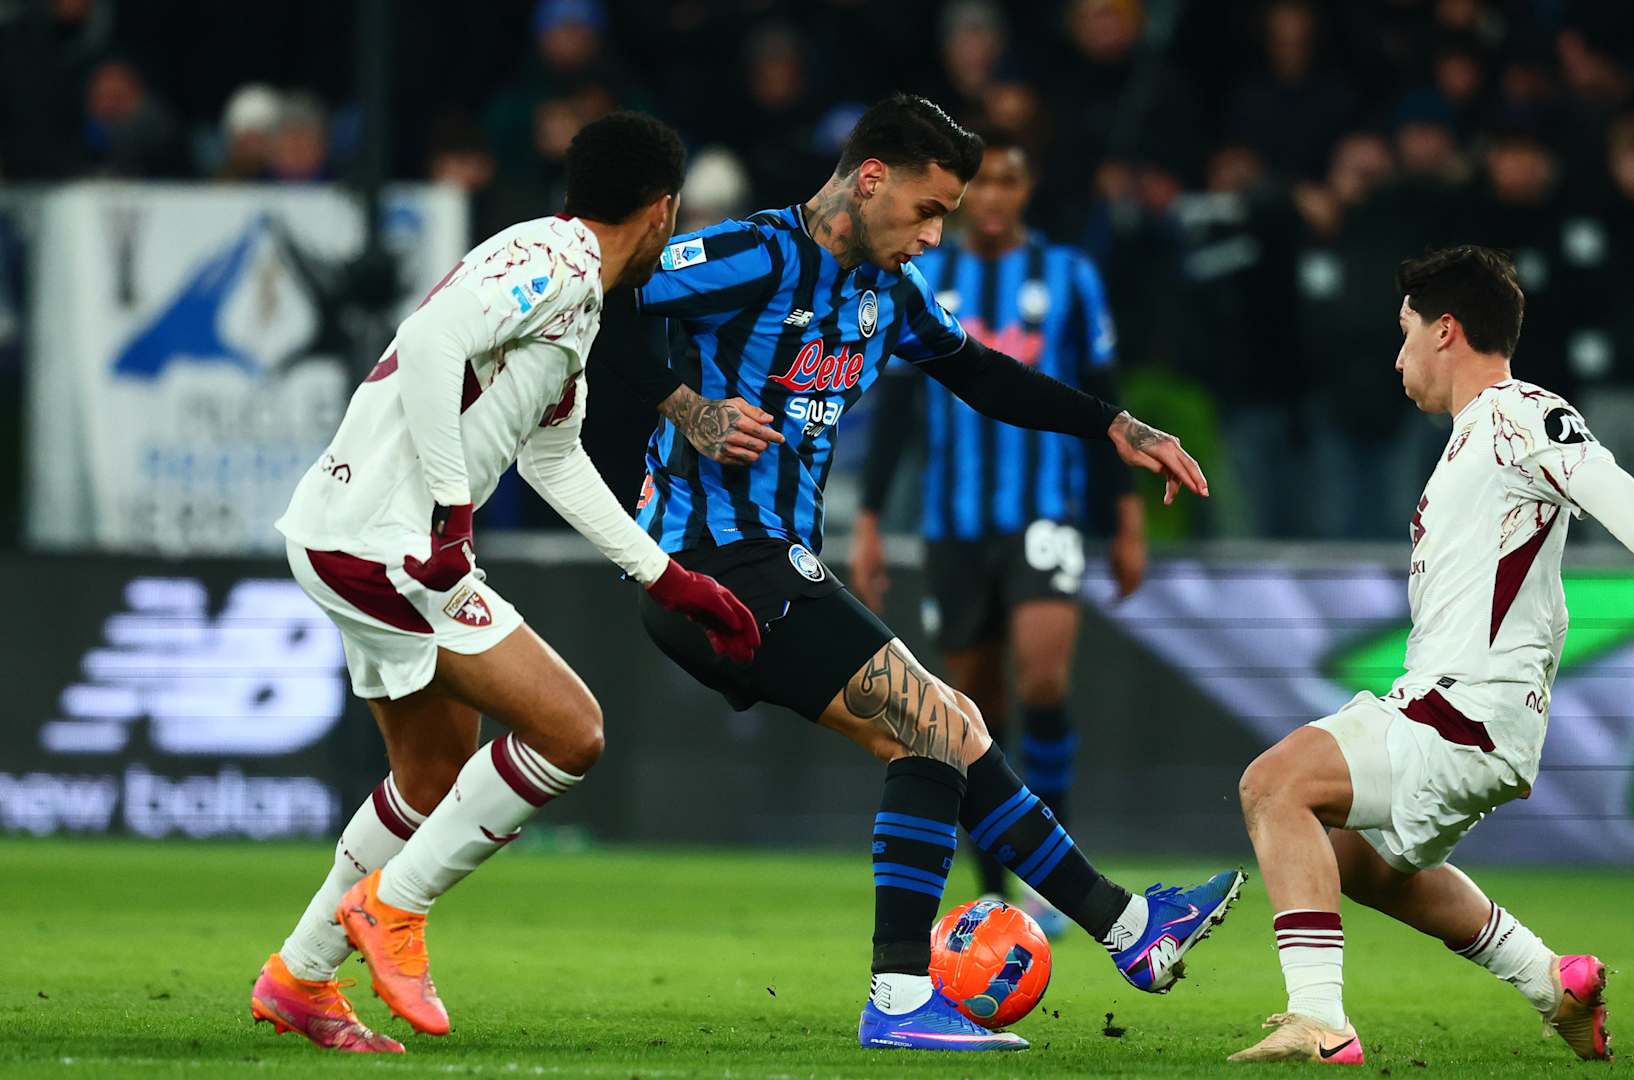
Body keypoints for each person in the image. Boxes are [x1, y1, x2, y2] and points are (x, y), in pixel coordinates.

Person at [627, 94, 1242, 1053]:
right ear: (870, 180)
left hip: (772, 562)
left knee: (951, 727)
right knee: (932, 728)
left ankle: (1129, 930)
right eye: (927, 209)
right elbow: (603, 300)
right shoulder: (754, 254)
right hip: (710, 561)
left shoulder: (891, 295)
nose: (934, 234)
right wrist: (684, 404)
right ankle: (902, 997)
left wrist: (1114, 426)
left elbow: (983, 374)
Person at [250, 112, 761, 1055]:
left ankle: (300, 978)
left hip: (361, 534)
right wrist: (452, 512)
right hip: (388, 543)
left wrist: (668, 577)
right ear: (663, 211)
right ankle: (394, 908)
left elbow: (552, 459)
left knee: (431, 777)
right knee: (571, 731)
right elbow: (429, 340)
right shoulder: (557, 265)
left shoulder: (568, 287)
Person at [1229, 247, 1634, 1065]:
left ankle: (1319, 1019)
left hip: (1465, 710)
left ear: (1446, 331)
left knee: (1273, 785)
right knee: (1355, 861)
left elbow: (1598, 475)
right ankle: (1553, 981)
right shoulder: (1472, 441)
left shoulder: (1518, 411)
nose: (1398, 358)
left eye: (1405, 333)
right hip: (1462, 711)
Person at [849, 130, 1144, 936]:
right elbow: (898, 407)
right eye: (980, 184)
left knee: (1044, 680)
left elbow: (1103, 391)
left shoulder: (1070, 277)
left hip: (1045, 511)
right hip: (952, 523)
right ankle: (998, 890)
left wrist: (1125, 519)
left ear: (1026, 189)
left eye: (1008, 181)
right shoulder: (922, 275)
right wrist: (870, 521)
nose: (991, 197)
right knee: (974, 706)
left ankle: (1057, 880)